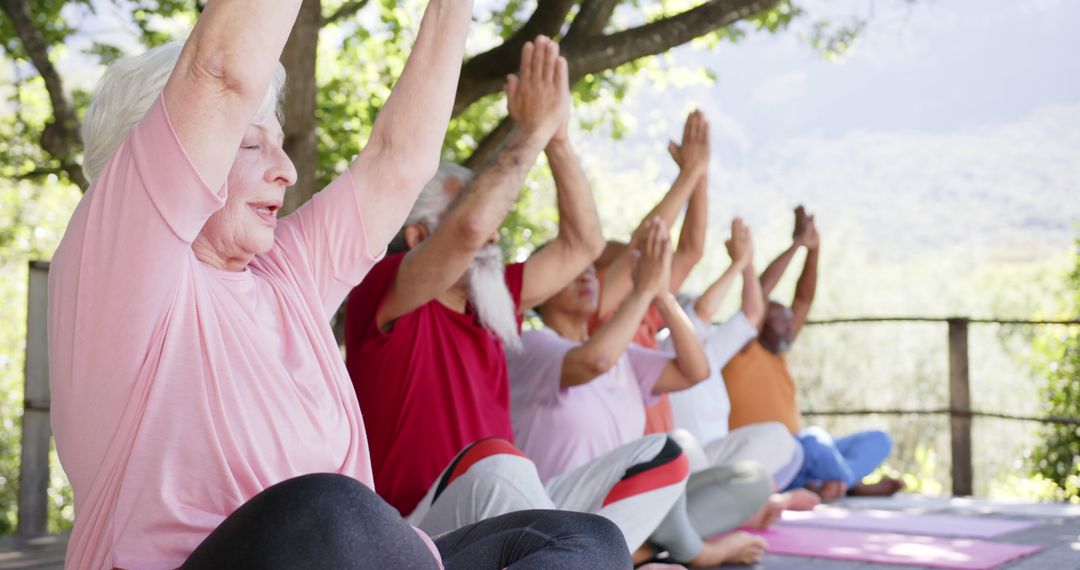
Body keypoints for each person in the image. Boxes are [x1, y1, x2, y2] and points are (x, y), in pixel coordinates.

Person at [48, 0, 630, 567]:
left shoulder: (287, 276)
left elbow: (398, 160)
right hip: (296, 543)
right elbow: (220, 75)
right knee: (329, 509)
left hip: (371, 554)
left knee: (583, 542)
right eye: (250, 143)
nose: (287, 169)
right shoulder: (122, 265)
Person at [344, 37, 686, 555]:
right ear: (417, 237)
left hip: (504, 505)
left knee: (664, 454)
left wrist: (558, 140)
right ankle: (579, 558)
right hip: (415, 531)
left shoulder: (493, 299)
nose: (494, 234)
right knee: (498, 463)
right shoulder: (384, 286)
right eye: (472, 221)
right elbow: (469, 229)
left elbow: (584, 245)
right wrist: (528, 130)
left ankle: (576, 559)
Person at [508, 218, 778, 567]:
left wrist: (661, 294)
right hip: (565, 509)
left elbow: (695, 370)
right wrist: (641, 292)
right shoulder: (529, 346)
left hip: (630, 499)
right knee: (663, 449)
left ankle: (642, 550)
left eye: (591, 270)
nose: (587, 275)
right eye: (573, 270)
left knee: (753, 480)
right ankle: (695, 552)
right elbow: (594, 361)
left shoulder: (624, 357)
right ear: (541, 290)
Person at [723, 206, 903, 500]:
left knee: (878, 440)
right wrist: (795, 245)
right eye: (779, 319)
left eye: (788, 319)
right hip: (772, 458)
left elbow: (804, 298)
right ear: (758, 322)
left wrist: (813, 249)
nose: (789, 324)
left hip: (804, 458)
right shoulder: (742, 349)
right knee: (814, 440)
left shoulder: (779, 353)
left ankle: (830, 483)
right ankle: (848, 484)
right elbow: (759, 291)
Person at [665, 218, 818, 513]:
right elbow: (706, 311)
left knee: (780, 440)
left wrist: (746, 262)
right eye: (699, 319)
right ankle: (749, 504)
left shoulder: (710, 350)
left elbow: (751, 311)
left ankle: (743, 502)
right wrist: (736, 265)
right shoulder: (662, 350)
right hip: (686, 463)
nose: (708, 323)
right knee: (682, 444)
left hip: (717, 460)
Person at [590, 110, 711, 434]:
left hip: (661, 447)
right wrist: (690, 173)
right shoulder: (595, 310)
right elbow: (639, 248)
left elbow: (690, 251)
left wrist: (700, 175)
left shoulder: (643, 305)